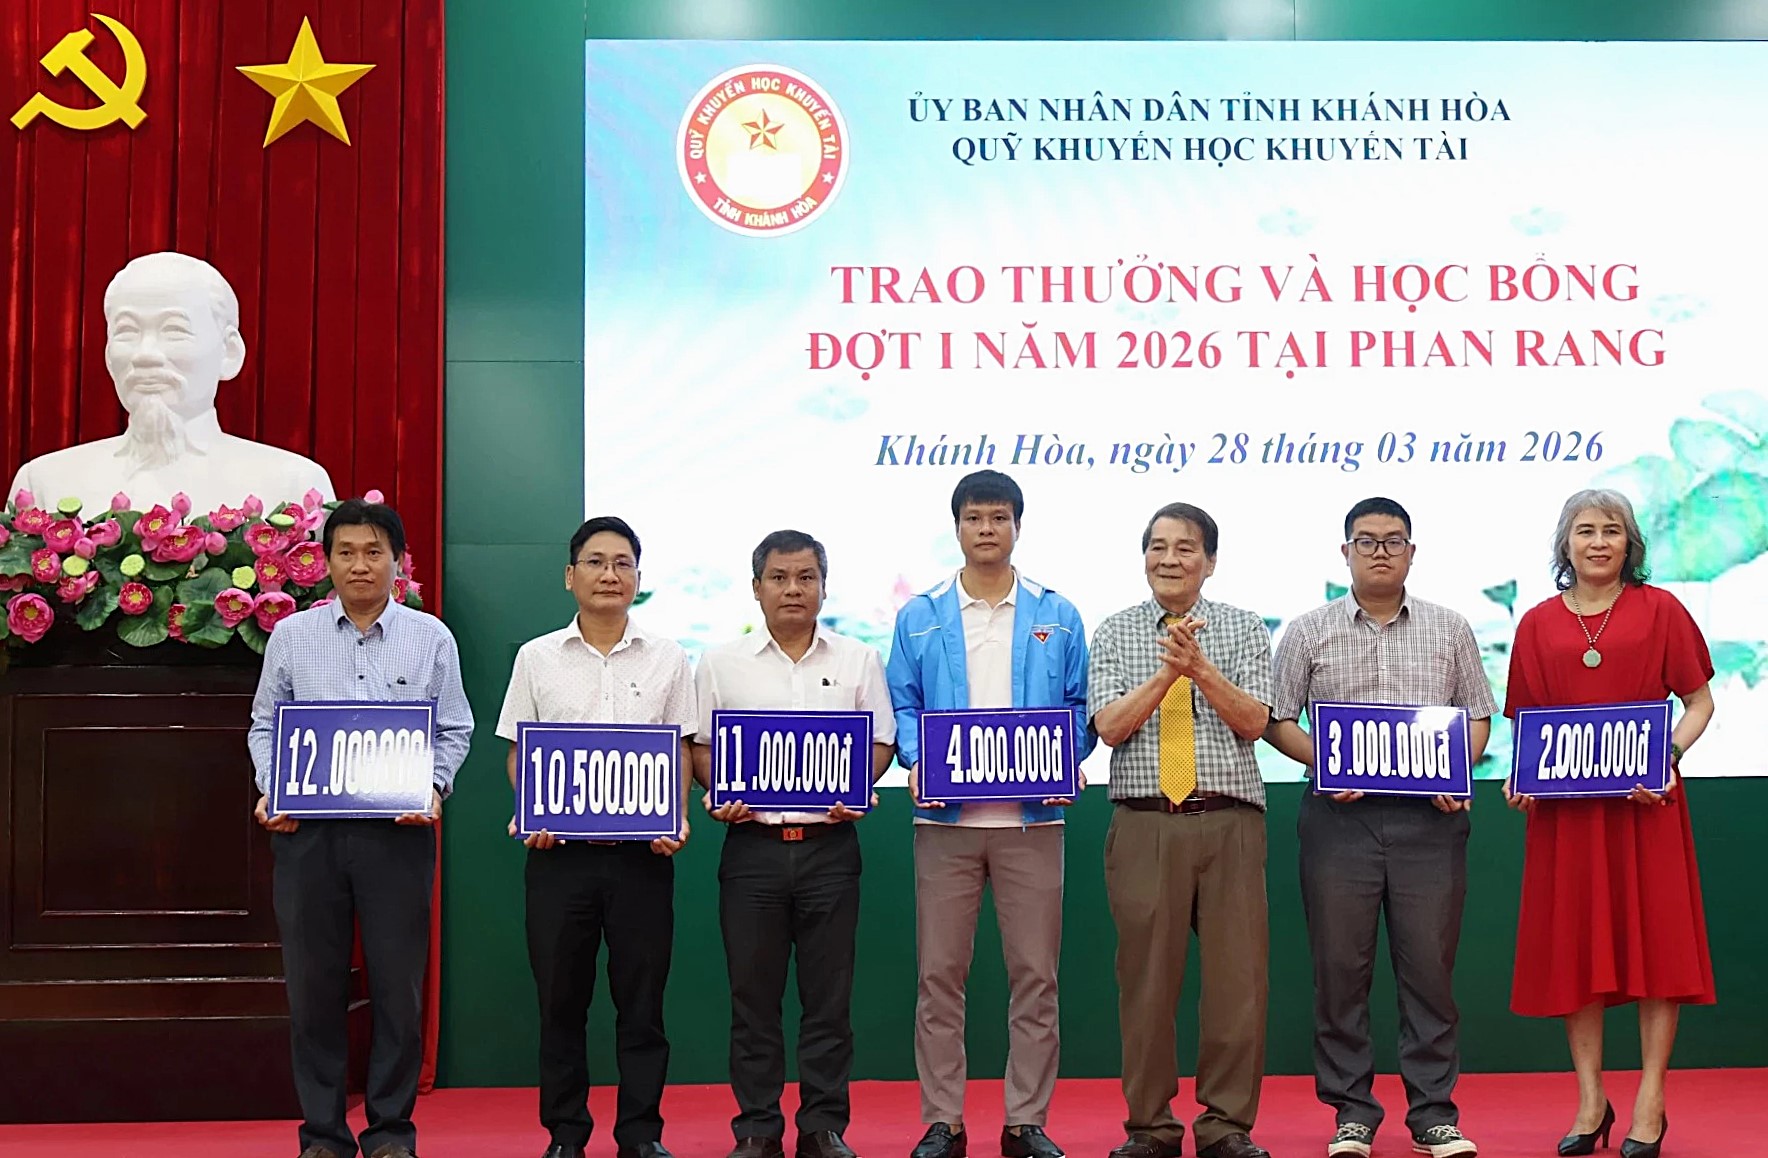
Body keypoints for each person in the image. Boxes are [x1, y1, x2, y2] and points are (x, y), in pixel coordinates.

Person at [1265, 497, 1493, 1158]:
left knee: (1430, 973)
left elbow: (1478, 716)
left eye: (1394, 541)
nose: (1381, 552)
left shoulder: (1451, 628)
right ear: (1346, 553)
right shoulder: (1308, 631)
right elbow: (1277, 720)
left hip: (1430, 825)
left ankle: (1434, 1114)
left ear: (1412, 553)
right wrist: (1325, 760)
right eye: (1366, 541)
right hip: (1339, 822)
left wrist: (1455, 770)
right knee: (1341, 972)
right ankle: (1352, 1113)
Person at [248, 498, 473, 1158]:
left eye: (374, 552)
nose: (360, 565)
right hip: (308, 836)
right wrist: (274, 787)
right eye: (345, 552)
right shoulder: (293, 636)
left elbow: (454, 728)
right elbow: (265, 724)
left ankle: (390, 1133)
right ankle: (322, 1134)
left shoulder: (430, 637)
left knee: (398, 990)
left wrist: (433, 786)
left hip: (396, 835)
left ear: (398, 561)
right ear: (326, 562)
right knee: (313, 990)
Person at [1503, 489, 1715, 1158]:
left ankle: (1651, 1099)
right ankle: (1591, 1100)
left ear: (1631, 544)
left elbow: (1700, 703)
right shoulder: (1536, 623)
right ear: (1565, 544)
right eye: (1586, 530)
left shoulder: (1662, 610)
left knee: (1660, 951)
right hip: (1567, 818)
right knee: (1577, 950)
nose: (1599, 542)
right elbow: (1527, 727)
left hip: (1646, 811)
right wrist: (1520, 777)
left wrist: (1667, 756)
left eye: (1612, 530)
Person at [886, 470, 1091, 1158]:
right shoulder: (921, 615)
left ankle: (1025, 1121)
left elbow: (1079, 706)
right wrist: (919, 758)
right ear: (957, 528)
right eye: (974, 518)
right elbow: (904, 703)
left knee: (1036, 977)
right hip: (945, 824)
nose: (986, 529)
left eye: (998, 518)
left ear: (1017, 527)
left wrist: (1067, 754)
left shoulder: (1057, 614)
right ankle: (942, 1121)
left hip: (1034, 821)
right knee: (939, 977)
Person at [691, 530, 897, 1158]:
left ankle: (822, 1127)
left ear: (823, 588)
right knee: (752, 998)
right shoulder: (719, 662)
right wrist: (719, 787)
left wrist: (858, 782)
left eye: (806, 578)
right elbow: (700, 748)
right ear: (756, 589)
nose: (793, 589)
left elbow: (882, 742)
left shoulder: (859, 659)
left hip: (830, 848)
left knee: (828, 1000)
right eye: (779, 578)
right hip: (750, 848)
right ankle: (757, 1127)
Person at [495, 516, 694, 1158]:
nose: (610, 574)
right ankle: (565, 1134)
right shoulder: (536, 657)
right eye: (596, 562)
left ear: (637, 576)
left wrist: (676, 817)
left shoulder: (669, 656)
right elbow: (518, 750)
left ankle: (641, 1135)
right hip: (560, 860)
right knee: (561, 1003)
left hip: (643, 860)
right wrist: (532, 809)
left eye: (623, 563)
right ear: (570, 575)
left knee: (643, 1005)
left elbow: (680, 750)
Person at [1087, 503, 1274, 1158]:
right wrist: (1168, 671)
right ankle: (1150, 1128)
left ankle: (1227, 1126)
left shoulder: (1244, 628)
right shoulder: (1114, 631)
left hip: (1229, 821)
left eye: (1185, 547)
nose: (1169, 559)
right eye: (1158, 546)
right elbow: (1110, 727)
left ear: (1210, 562)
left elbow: (1254, 721)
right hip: (1146, 823)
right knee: (1146, 987)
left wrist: (1200, 667)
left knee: (1237, 986)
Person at [10, 251, 334, 512]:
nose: (145, 355)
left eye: (174, 330)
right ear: (108, 355)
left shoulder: (293, 487)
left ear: (229, 352)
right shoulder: (45, 484)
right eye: (127, 331)